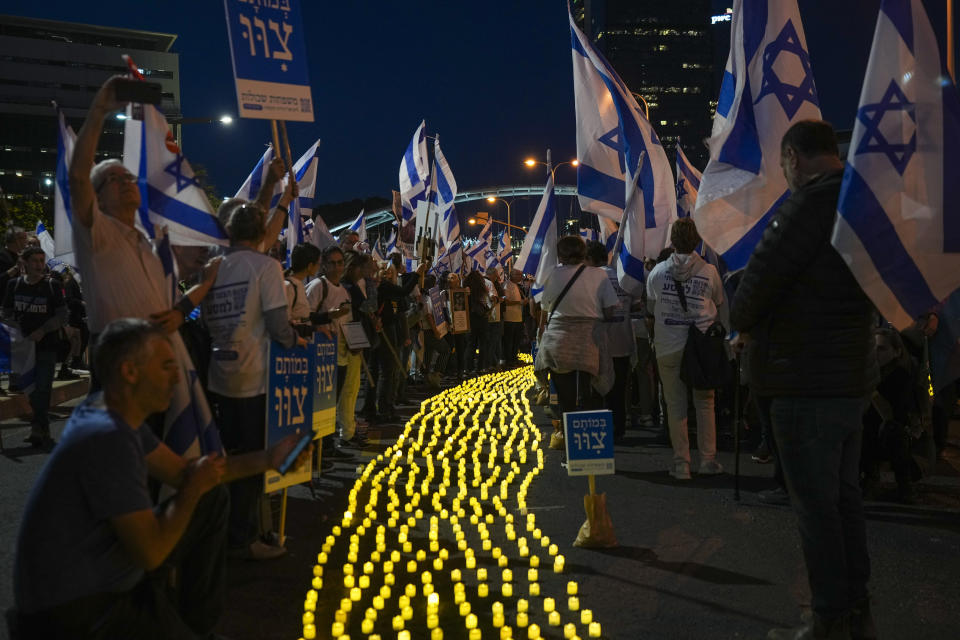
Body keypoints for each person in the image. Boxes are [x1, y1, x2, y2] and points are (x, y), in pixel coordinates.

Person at [11, 318, 310, 640]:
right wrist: (193, 488)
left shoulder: (111, 414)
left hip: (100, 579)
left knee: (211, 498)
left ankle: (194, 626)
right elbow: (151, 550)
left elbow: (187, 473)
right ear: (130, 371)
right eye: (166, 365)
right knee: (199, 495)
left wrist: (269, 459)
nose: (177, 376)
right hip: (75, 612)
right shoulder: (107, 436)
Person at [730, 120, 879, 640]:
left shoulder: (807, 207)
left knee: (817, 510)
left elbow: (751, 295)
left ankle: (830, 619)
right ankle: (854, 609)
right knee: (843, 502)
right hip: (849, 379)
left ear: (793, 157)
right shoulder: (860, 202)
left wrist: (743, 313)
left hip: (804, 381)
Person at [67, 75, 224, 460]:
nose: (125, 182)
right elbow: (76, 177)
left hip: (154, 364)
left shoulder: (149, 245)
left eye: (127, 177)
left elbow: (167, 309)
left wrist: (198, 291)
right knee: (117, 466)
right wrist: (101, 109)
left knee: (153, 462)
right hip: (119, 366)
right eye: (112, 180)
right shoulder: (97, 234)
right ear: (97, 199)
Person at [202, 203, 306, 561]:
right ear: (262, 234)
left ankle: (221, 529)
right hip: (254, 377)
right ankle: (242, 539)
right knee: (251, 462)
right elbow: (278, 325)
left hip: (218, 374)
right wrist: (296, 340)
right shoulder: (266, 266)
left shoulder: (215, 265)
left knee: (225, 457)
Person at [646, 218, 728, 480]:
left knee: (675, 406)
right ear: (697, 240)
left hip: (668, 345)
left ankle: (681, 464)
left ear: (672, 240)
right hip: (701, 347)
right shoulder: (709, 272)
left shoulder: (657, 273)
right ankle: (708, 460)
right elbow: (719, 301)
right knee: (705, 403)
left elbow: (650, 307)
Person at [535, 236, 618, 417]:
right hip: (590, 345)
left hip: (560, 344)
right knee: (591, 394)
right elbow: (610, 311)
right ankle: (589, 434)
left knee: (565, 398)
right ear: (583, 253)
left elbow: (545, 306)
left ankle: (567, 435)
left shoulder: (553, 274)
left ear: (561, 255)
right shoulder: (599, 274)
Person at [1, 246, 68, 447]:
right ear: (25, 263)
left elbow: (62, 315)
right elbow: (6, 312)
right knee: (30, 389)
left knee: (43, 387)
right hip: (23, 347)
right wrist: (15, 329)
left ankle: (39, 427)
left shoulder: (52, 286)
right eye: (35, 261)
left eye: (42, 260)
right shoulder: (14, 285)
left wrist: (43, 330)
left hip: (46, 345)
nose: (39, 265)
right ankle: (40, 427)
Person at [585, 241, 638, 444]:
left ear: (590, 259)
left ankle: (602, 430)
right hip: (623, 339)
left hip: (600, 341)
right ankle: (619, 428)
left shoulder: (593, 279)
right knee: (619, 388)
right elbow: (634, 304)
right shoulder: (623, 277)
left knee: (599, 389)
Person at [502, 269, 526, 367]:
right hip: (509, 318)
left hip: (518, 317)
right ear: (512, 275)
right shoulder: (507, 285)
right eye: (519, 275)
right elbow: (506, 302)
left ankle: (514, 358)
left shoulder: (516, 285)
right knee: (509, 341)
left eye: (521, 275)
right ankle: (509, 360)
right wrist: (519, 303)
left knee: (516, 340)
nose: (521, 277)